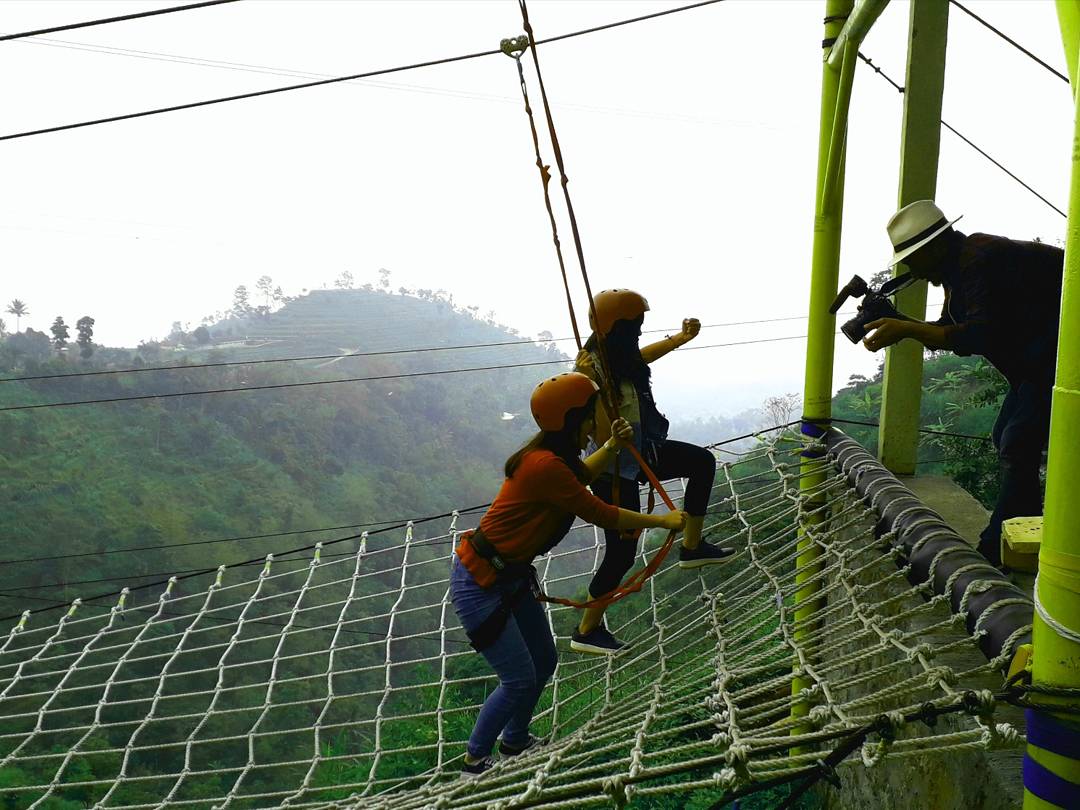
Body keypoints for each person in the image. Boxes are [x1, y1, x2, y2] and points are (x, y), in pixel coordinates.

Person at [451, 371, 688, 778]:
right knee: (519, 678)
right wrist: (662, 520)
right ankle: (474, 761)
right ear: (574, 420)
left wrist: (613, 444)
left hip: (508, 576)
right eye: (593, 415)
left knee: (544, 660)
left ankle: (515, 741)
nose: (596, 423)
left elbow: (579, 479)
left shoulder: (552, 461)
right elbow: (599, 511)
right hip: (481, 583)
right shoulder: (545, 466)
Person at [861, 199, 1063, 567]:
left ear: (934, 247)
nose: (911, 268)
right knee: (1007, 436)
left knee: (1018, 442)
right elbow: (951, 333)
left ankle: (996, 550)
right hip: (1038, 364)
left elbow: (976, 336)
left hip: (1059, 358)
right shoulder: (958, 271)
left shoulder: (980, 259)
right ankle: (1024, 537)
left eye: (913, 257)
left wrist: (906, 328)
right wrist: (898, 322)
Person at [570, 289, 734, 656]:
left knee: (700, 462)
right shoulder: (590, 371)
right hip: (612, 472)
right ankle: (586, 630)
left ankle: (691, 547)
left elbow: (643, 357)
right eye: (633, 327)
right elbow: (597, 434)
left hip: (644, 452)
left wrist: (681, 338)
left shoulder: (623, 360)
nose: (639, 334)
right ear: (613, 329)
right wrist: (590, 385)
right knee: (622, 554)